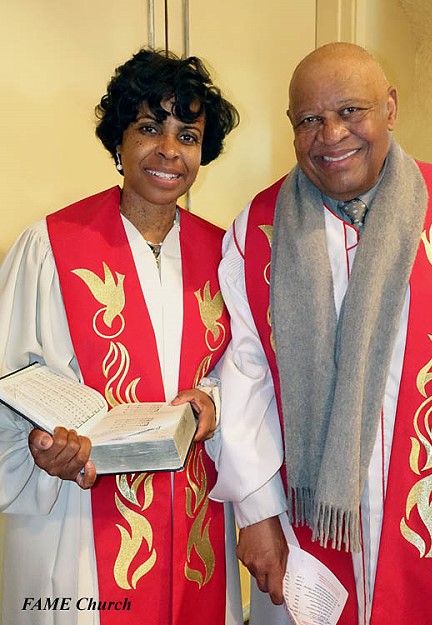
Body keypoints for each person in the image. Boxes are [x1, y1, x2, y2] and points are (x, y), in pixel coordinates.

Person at [210, 42, 432, 625]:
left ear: (390, 107)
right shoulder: (255, 232)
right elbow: (245, 381)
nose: (332, 134)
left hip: (426, 514)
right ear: (292, 128)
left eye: (351, 111)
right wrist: (257, 513)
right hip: (303, 528)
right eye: (310, 119)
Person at [0, 48, 241, 625]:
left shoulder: (226, 254)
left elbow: (248, 370)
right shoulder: (49, 247)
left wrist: (214, 400)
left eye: (188, 134)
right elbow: (6, 378)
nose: (169, 150)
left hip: (193, 517)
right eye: (149, 128)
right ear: (119, 142)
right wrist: (39, 449)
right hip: (75, 522)